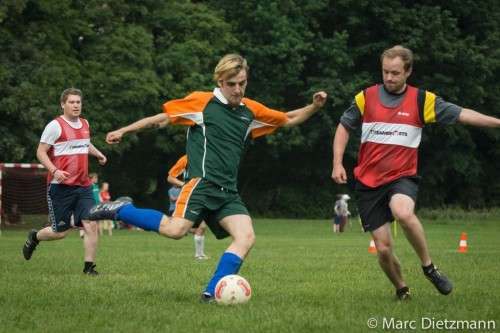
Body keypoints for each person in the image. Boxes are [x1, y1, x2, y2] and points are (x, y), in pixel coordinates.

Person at [88, 54, 327, 302]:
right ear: (220, 81)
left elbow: (287, 118)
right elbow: (161, 119)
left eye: (242, 83)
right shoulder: (202, 103)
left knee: (246, 237)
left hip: (227, 192)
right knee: (175, 230)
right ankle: (121, 209)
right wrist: (125, 130)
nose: (237, 89)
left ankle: (211, 293)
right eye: (231, 84)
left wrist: (314, 107)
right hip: (201, 185)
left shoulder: (250, 112)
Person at [332, 45, 500, 300]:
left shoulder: (422, 101)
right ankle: (402, 289)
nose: (389, 77)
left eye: (395, 73)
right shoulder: (366, 97)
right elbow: (344, 126)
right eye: (385, 72)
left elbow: (462, 114)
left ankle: (429, 268)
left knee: (403, 211)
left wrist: (497, 122)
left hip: (402, 177)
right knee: (384, 250)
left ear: (408, 71)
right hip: (368, 183)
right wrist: (337, 163)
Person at [22, 87, 107, 275]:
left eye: (78, 102)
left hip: (83, 185)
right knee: (60, 232)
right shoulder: (55, 126)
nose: (76, 105)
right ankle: (35, 237)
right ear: (63, 104)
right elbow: (40, 152)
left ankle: (89, 268)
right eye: (72, 102)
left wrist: (98, 154)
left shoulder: (85, 123)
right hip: (60, 187)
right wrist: (54, 170)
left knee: (92, 223)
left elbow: (85, 143)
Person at [167, 155, 209, 260]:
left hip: (205, 196)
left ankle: (199, 255)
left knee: (201, 227)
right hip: (191, 197)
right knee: (199, 227)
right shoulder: (187, 158)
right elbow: (170, 178)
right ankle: (199, 255)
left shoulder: (211, 155)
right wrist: (184, 184)